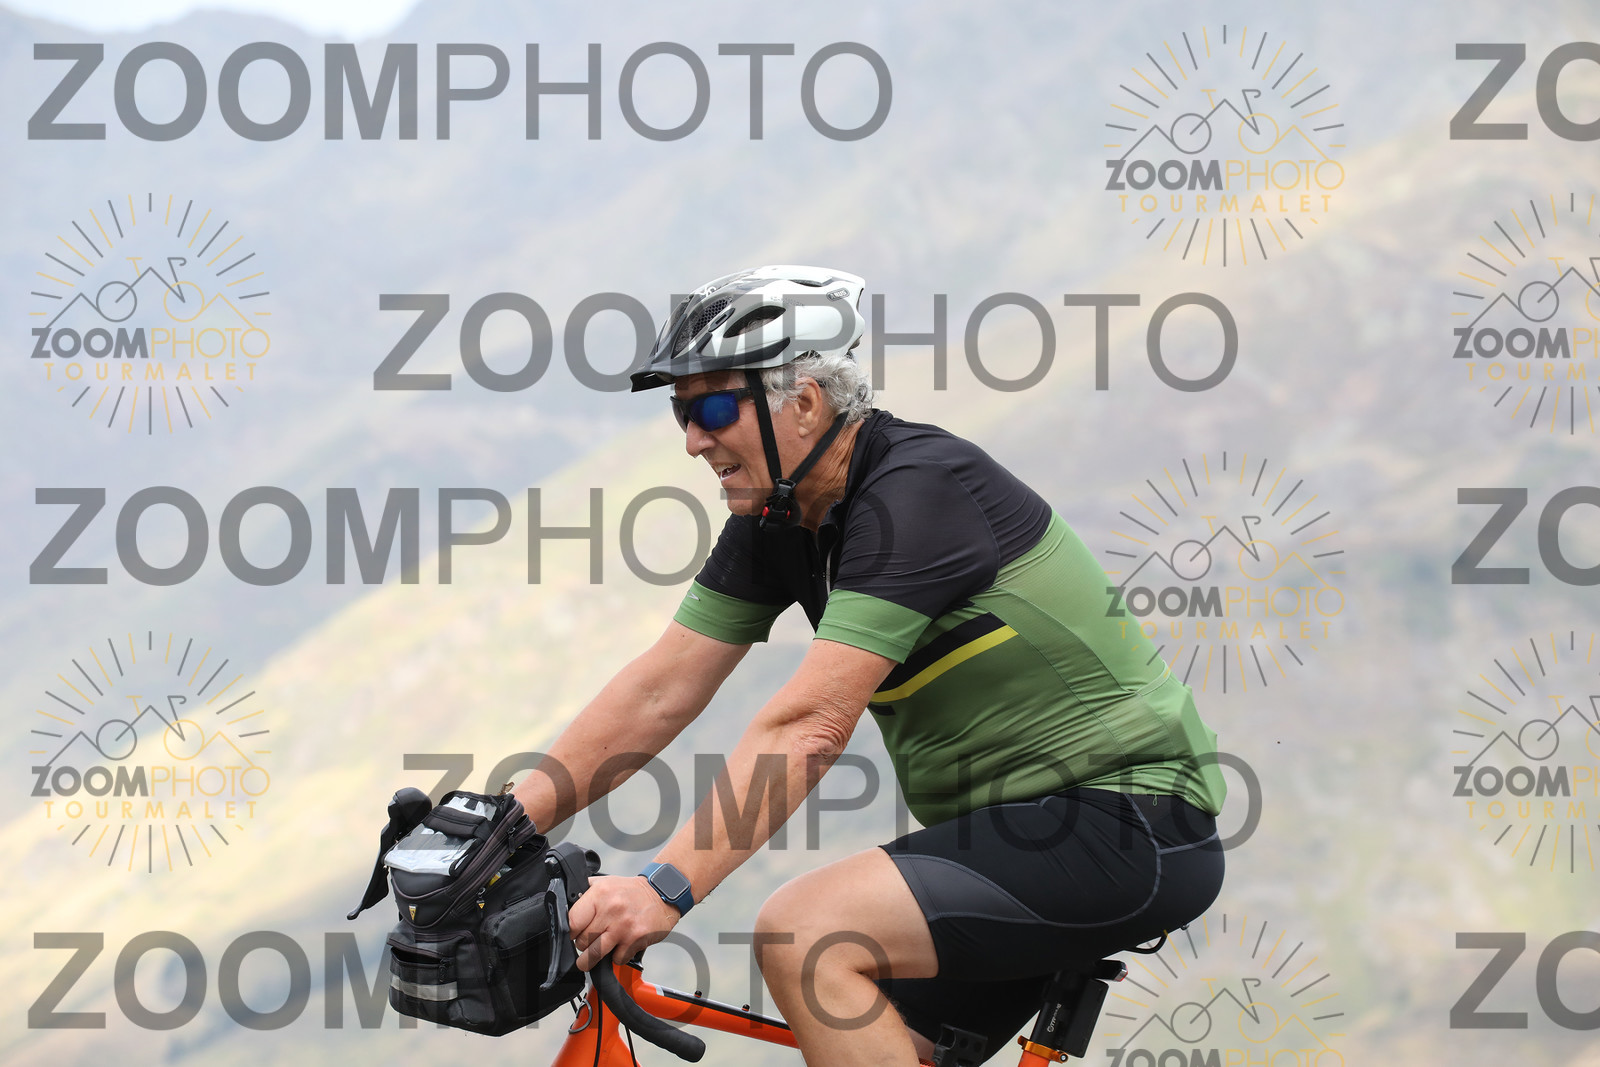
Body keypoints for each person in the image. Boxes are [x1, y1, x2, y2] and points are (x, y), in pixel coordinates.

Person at [512, 265, 1226, 1065]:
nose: (693, 439)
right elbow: (661, 687)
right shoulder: (782, 514)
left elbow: (809, 728)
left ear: (805, 402)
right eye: (682, 412)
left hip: (1126, 825)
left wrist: (664, 886)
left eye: (713, 408)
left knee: (805, 936)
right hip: (1003, 843)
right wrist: (504, 824)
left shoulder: (916, 494)